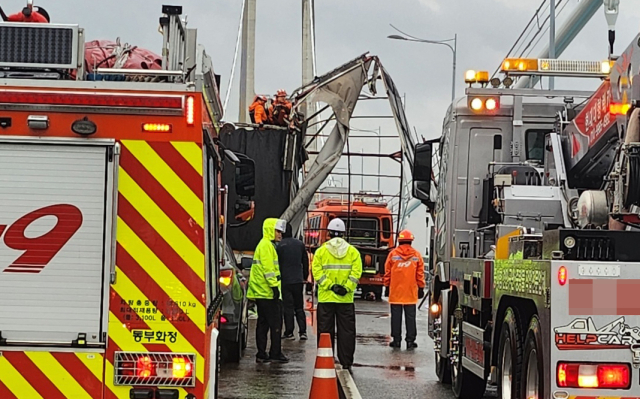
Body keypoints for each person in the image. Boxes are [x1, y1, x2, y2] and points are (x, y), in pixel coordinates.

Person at [312, 218, 362, 372]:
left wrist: (330, 286)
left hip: (326, 298)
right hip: (345, 300)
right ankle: (346, 361)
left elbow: (317, 273)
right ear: (343, 233)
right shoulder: (353, 252)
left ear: (329, 233)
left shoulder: (321, 251)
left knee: (325, 331)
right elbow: (356, 273)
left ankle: (326, 358)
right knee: (346, 332)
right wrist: (346, 288)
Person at [247, 218, 289, 363]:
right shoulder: (266, 246)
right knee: (275, 324)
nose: (280, 234)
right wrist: (274, 287)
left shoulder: (265, 245)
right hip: (268, 292)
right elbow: (268, 269)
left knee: (263, 324)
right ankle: (274, 353)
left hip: (262, 292)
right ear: (270, 230)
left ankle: (261, 353)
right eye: (277, 231)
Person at [384, 229, 425, 350]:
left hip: (396, 292)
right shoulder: (416, 256)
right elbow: (420, 274)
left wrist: (387, 287)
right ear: (411, 241)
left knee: (396, 317)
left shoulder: (393, 254)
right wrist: (421, 287)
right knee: (410, 318)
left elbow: (387, 272)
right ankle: (410, 341)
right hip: (410, 292)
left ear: (399, 241)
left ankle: (396, 341)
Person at [277, 223, 310, 340]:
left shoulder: (279, 246)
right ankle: (303, 332)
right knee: (299, 307)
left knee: (288, 307)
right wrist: (305, 276)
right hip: (298, 280)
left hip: (285, 280)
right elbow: (305, 262)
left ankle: (289, 332)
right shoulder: (300, 244)